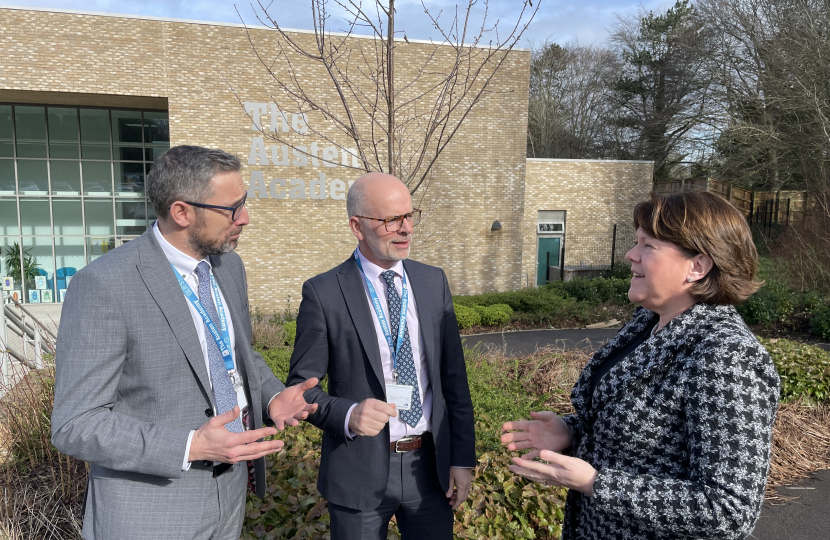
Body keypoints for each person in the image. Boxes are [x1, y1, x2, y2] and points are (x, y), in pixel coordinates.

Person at [51, 145, 319, 540]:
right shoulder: (105, 285)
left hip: (228, 499)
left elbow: (237, 353)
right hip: (150, 514)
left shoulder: (228, 266)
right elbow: (75, 424)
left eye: (243, 202)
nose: (244, 218)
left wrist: (272, 395)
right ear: (182, 212)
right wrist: (191, 445)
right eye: (232, 209)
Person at [501, 191, 780, 540]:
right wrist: (572, 432)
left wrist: (595, 483)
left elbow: (727, 510)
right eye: (636, 243)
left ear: (698, 266)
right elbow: (643, 436)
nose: (631, 256)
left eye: (647, 246)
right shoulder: (647, 322)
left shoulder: (727, 356)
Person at [286, 172, 476, 539]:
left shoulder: (432, 281)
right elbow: (301, 388)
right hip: (359, 473)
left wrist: (462, 458)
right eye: (391, 219)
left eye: (409, 215)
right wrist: (349, 414)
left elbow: (454, 379)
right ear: (357, 226)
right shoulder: (324, 293)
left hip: (430, 469)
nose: (406, 229)